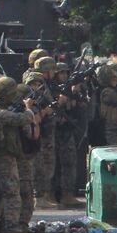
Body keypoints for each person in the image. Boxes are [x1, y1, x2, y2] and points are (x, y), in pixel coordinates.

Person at [0, 77, 40, 233]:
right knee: (12, 194)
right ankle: (11, 230)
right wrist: (28, 109)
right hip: (3, 157)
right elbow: (23, 119)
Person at [32, 56, 62, 209]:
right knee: (41, 165)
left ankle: (44, 194)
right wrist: (46, 111)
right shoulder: (38, 87)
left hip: (47, 131)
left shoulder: (47, 85)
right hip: (41, 132)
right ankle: (39, 196)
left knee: (48, 164)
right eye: (51, 70)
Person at [14, 81, 42, 233]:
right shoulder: (23, 113)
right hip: (22, 158)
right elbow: (34, 134)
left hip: (10, 158)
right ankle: (20, 228)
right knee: (25, 195)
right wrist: (30, 110)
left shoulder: (7, 110)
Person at [53, 62, 80, 208]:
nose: (63, 75)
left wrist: (75, 92)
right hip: (57, 132)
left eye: (65, 73)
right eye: (60, 73)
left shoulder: (69, 89)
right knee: (57, 165)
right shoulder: (53, 90)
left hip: (68, 130)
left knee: (69, 162)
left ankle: (67, 194)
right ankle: (57, 194)